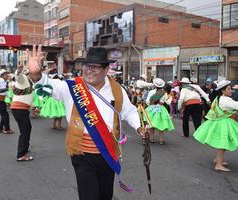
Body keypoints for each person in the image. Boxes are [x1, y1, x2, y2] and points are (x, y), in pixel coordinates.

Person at [27, 45, 144, 200]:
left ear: (106, 69)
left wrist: (139, 127)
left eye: (95, 67)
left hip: (108, 151)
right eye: (87, 66)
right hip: (81, 153)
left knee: (105, 194)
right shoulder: (71, 87)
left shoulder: (117, 89)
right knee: (89, 195)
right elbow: (47, 85)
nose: (89, 70)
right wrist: (36, 75)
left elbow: (129, 111)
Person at [193, 80, 238, 172]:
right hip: (224, 123)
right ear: (223, 91)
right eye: (229, 89)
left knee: (223, 143)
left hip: (221, 122)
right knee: (222, 143)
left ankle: (218, 160)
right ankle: (218, 165)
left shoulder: (219, 98)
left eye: (231, 89)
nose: (231, 91)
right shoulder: (225, 100)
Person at [10, 65, 34, 161]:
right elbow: (19, 77)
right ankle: (21, 154)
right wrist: (19, 72)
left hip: (21, 109)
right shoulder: (23, 79)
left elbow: (29, 97)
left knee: (26, 129)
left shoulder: (28, 83)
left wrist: (33, 108)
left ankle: (25, 149)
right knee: (25, 131)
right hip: (20, 109)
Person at [144, 78, 174, 144]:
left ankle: (152, 139)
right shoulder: (164, 93)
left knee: (151, 124)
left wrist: (151, 104)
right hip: (161, 109)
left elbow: (147, 102)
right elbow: (168, 102)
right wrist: (171, 97)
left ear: (155, 85)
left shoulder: (151, 92)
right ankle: (161, 140)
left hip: (151, 109)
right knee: (161, 124)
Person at [0, 69, 14, 134]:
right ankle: (7, 129)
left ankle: (0, 128)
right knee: (5, 115)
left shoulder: (4, 82)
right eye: (6, 74)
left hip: (1, 100)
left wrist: (10, 97)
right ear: (2, 75)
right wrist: (4, 90)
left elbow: (6, 92)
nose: (7, 75)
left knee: (3, 115)